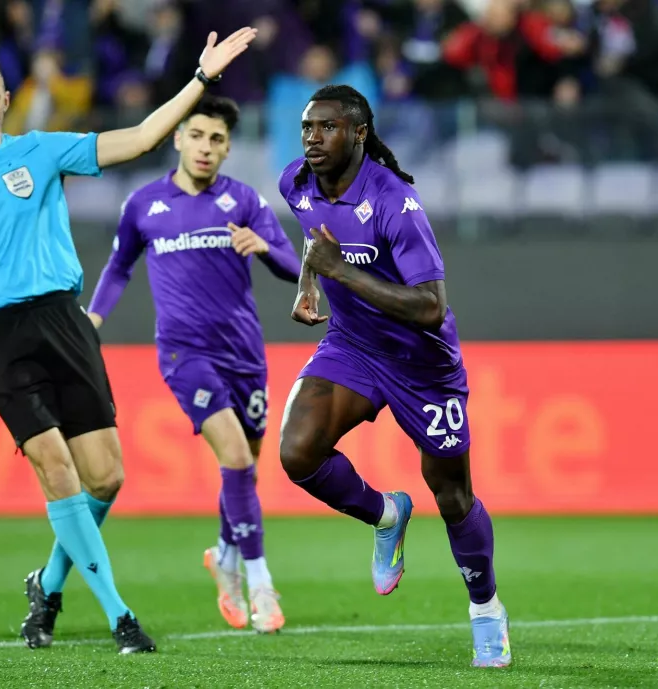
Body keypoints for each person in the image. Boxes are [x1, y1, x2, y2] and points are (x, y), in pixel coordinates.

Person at [0, 27, 257, 655]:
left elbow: (142, 138)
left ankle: (48, 583)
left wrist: (202, 80)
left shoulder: (42, 150)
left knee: (106, 478)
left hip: (64, 320)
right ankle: (121, 616)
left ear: (8, 99)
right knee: (54, 467)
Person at [276, 84, 511, 668]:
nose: (312, 138)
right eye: (307, 127)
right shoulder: (296, 184)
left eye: (326, 127)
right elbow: (317, 241)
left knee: (453, 495)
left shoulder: (393, 202)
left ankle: (486, 611)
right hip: (352, 346)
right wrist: (310, 282)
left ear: (358, 134)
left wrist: (338, 273)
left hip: (421, 363)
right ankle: (385, 513)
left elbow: (431, 305)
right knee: (297, 453)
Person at [85, 95, 300, 633]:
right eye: (197, 136)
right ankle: (260, 582)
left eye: (217, 140)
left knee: (247, 459)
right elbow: (117, 268)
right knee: (232, 453)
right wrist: (93, 320)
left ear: (228, 148)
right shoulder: (144, 205)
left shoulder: (245, 202)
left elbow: (296, 266)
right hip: (184, 353)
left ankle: (225, 555)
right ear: (177, 138)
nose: (206, 147)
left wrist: (266, 249)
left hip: (244, 352)